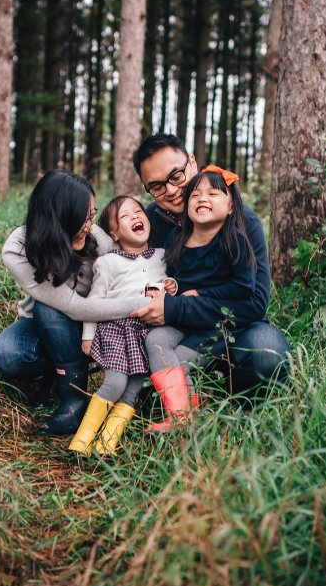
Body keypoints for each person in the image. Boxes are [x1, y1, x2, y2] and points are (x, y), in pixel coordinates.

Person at [0, 170, 149, 436]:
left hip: (96, 324)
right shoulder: (18, 247)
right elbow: (71, 306)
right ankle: (58, 374)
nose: (89, 226)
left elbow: (124, 280)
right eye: (83, 218)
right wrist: (143, 302)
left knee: (51, 307)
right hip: (45, 323)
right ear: (57, 218)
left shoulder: (99, 240)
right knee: (10, 354)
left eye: (92, 215)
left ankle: (73, 401)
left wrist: (148, 301)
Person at [131, 134, 290, 395]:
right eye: (157, 186)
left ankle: (222, 389)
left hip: (232, 329)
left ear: (192, 163)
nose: (171, 190)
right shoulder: (151, 222)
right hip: (175, 333)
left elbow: (255, 302)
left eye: (176, 176)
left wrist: (176, 307)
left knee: (266, 351)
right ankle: (178, 394)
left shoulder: (241, 221)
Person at [143, 166, 259, 433]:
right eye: (195, 194)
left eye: (213, 193)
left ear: (231, 207)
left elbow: (243, 287)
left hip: (215, 324)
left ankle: (182, 418)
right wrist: (166, 288)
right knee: (156, 341)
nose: (202, 198)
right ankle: (185, 412)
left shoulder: (234, 241)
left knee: (181, 360)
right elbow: (175, 276)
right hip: (183, 318)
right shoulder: (177, 239)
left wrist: (203, 294)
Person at [68, 196, 177, 456]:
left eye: (138, 212)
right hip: (117, 331)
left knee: (133, 389)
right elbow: (94, 301)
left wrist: (172, 286)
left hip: (147, 332)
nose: (136, 217)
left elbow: (166, 289)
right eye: (125, 217)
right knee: (115, 383)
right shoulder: (108, 263)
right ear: (113, 234)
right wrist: (88, 335)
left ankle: (106, 445)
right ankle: (81, 441)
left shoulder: (162, 256)